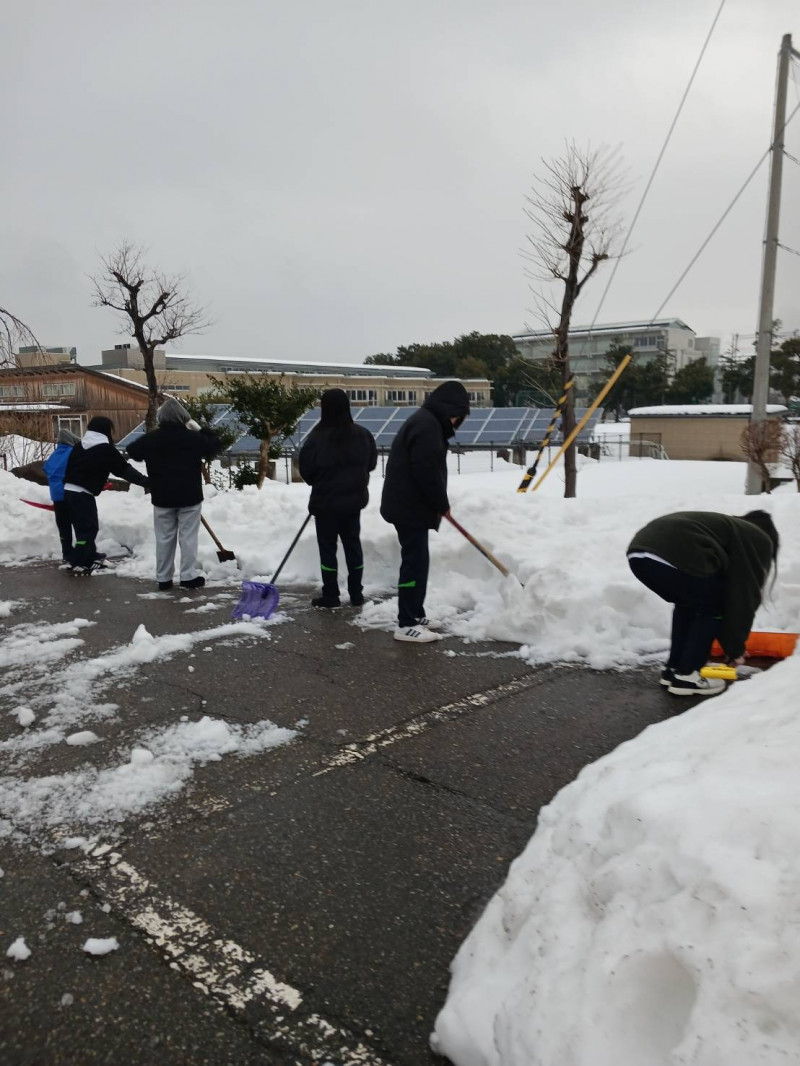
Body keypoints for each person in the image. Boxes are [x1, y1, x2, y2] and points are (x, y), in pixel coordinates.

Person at [627, 509, 780, 697]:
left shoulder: (725, 529)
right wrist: (734, 648)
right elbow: (743, 595)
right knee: (712, 606)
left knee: (688, 604)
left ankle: (674, 670)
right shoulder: (759, 538)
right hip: (672, 552)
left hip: (639, 554)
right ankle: (688, 674)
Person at [380, 380, 470, 643]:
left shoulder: (426, 422)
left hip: (411, 505)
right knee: (413, 563)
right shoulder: (427, 426)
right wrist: (441, 504)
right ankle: (406, 623)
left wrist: (437, 504)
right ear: (450, 410)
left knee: (420, 562)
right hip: (409, 507)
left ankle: (415, 613)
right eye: (458, 416)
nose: (457, 422)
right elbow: (426, 471)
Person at [126, 397, 223, 590]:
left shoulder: (152, 438)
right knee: (188, 537)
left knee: (164, 538)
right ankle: (188, 577)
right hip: (189, 496)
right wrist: (198, 428)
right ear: (184, 418)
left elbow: (132, 450)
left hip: (162, 496)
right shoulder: (193, 438)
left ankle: (163, 578)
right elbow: (215, 445)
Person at [299, 389, 377, 608]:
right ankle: (356, 593)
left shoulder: (316, 437)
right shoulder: (363, 435)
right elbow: (370, 464)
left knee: (327, 550)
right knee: (353, 547)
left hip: (325, 505)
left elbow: (307, 471)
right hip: (353, 504)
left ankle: (331, 594)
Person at [63, 416, 150, 573]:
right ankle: (79, 561)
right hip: (81, 494)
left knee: (82, 527)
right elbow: (124, 470)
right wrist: (146, 482)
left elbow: (75, 467)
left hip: (69, 491)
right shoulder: (105, 449)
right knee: (88, 529)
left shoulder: (80, 445)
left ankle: (88, 555)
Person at [42, 427, 81, 562]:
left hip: (57, 496)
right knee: (79, 524)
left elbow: (46, 469)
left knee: (63, 526)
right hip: (71, 493)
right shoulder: (73, 452)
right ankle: (81, 552)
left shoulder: (55, 454)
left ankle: (67, 553)